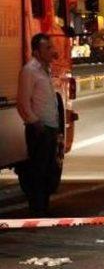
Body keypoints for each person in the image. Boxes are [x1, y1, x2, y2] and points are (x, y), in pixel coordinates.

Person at [17, 34, 61, 217]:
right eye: (48, 48)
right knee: (38, 170)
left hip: (50, 128)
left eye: (51, 47)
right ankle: (37, 209)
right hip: (39, 130)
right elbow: (23, 102)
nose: (53, 51)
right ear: (36, 52)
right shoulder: (29, 71)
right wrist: (36, 123)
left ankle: (44, 206)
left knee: (49, 169)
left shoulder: (46, 70)